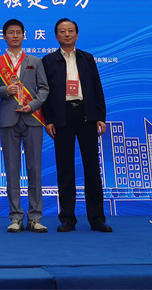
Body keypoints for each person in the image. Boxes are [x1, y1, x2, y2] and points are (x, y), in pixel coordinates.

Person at [41, 18, 112, 233]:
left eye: (70, 31)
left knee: (92, 168)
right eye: (62, 31)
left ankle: (97, 219)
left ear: (77, 35)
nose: (67, 34)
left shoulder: (87, 58)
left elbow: (97, 87)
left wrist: (101, 116)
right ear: (56, 36)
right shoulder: (48, 60)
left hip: (86, 115)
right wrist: (48, 120)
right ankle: (67, 219)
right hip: (62, 116)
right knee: (65, 169)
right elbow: (44, 92)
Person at [0, 19, 50, 233]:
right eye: (10, 32)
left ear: (24, 35)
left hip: (33, 119)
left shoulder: (35, 61)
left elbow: (44, 89)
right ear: (3, 36)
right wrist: (5, 91)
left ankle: (35, 217)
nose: (15, 36)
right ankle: (15, 217)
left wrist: (33, 105)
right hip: (8, 120)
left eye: (18, 32)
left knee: (35, 169)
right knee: (12, 169)